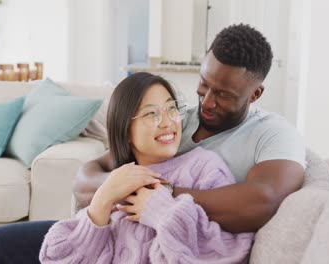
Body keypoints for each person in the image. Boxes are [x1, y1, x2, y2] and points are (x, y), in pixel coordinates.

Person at [0, 24, 305, 263]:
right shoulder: (176, 118)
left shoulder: (272, 134)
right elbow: (89, 174)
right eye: (204, 84)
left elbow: (263, 201)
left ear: (255, 93)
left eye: (224, 95)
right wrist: (111, 192)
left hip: (166, 241)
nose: (207, 102)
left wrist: (162, 199)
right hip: (115, 233)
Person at [39, 72, 254, 263]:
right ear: (125, 130)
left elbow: (230, 251)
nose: (167, 122)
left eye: (171, 109)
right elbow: (55, 258)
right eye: (151, 114)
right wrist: (102, 201)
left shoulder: (204, 168)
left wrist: (160, 211)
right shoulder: (119, 180)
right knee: (4, 241)